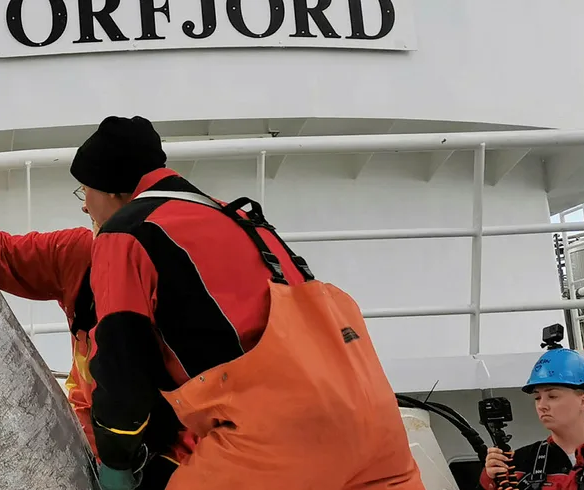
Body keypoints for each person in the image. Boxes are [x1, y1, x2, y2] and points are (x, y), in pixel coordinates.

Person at [70, 115, 424, 490]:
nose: (84, 206)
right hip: (377, 424)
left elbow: (121, 363)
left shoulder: (123, 236)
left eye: (84, 192)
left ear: (112, 190)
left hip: (281, 438)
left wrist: (116, 459)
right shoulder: (236, 215)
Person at [0, 213, 198, 489]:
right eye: (82, 192)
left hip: (176, 454)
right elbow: (3, 254)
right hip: (89, 448)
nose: (85, 205)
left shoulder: (178, 268)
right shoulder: (78, 254)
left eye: (92, 193)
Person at [481, 348, 584, 490]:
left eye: (552, 396)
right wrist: (488, 482)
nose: (542, 406)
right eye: (537, 398)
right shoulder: (518, 462)